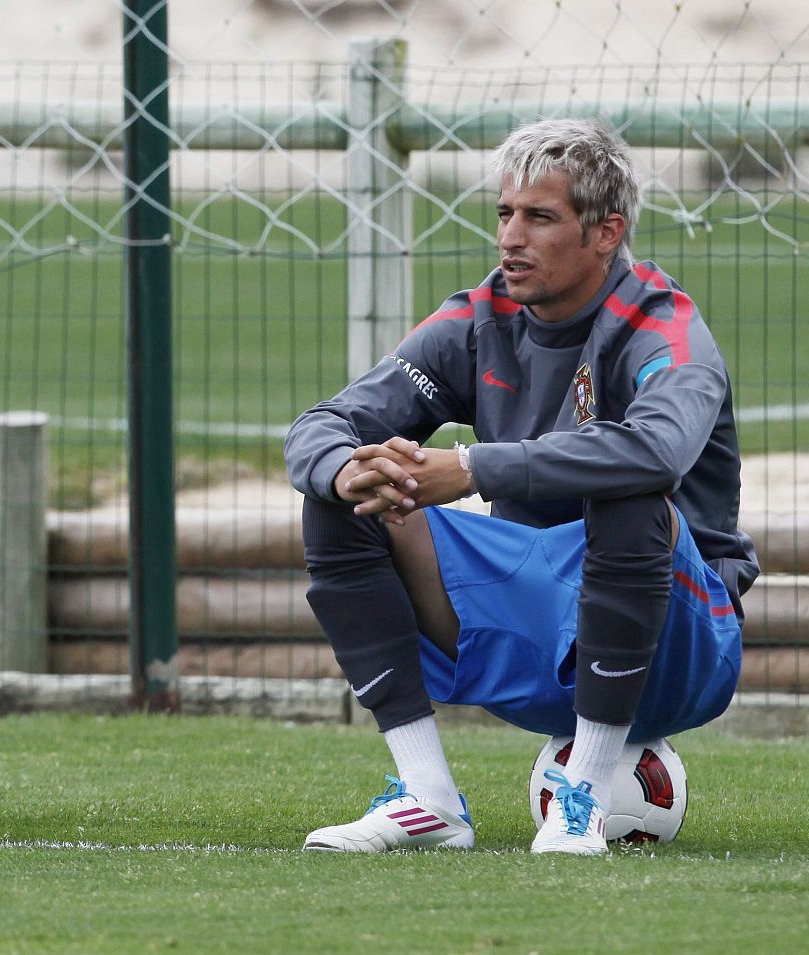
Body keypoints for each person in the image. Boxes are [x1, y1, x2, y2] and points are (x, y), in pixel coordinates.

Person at [283, 118, 754, 855]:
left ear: (605, 233)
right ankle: (428, 797)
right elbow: (326, 421)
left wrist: (471, 468)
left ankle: (584, 798)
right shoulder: (477, 320)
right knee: (350, 494)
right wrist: (343, 467)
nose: (511, 237)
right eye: (505, 213)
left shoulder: (666, 326)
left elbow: (656, 452)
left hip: (682, 644)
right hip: (538, 630)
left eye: (540, 217)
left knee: (631, 494)